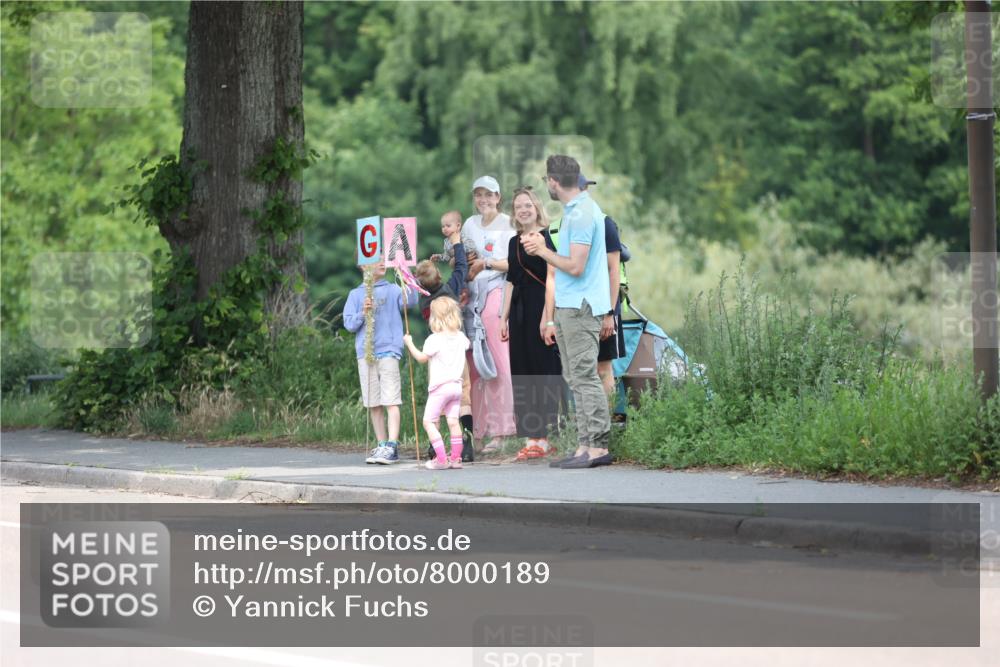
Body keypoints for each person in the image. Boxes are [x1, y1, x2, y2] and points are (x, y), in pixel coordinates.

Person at [522, 155, 613, 469]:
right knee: (574, 377)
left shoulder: (584, 213)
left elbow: (576, 266)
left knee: (584, 377)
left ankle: (598, 447)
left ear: (553, 181)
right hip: (567, 306)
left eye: (547, 179)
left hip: (581, 307)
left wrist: (542, 251)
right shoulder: (575, 212)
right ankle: (584, 445)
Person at [547, 175, 626, 399]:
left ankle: (608, 425)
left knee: (602, 369)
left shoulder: (604, 222)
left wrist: (609, 313)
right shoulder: (567, 225)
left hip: (603, 308)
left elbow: (614, 271)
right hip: (576, 309)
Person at [500, 186, 564, 460]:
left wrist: (547, 317)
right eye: (518, 207)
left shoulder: (548, 237)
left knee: (544, 369)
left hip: (542, 306)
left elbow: (554, 277)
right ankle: (530, 436)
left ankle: (547, 436)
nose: (523, 210)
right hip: (519, 311)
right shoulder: (513, 242)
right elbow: (511, 281)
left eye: (527, 205)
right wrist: (503, 317)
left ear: (536, 206)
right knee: (522, 370)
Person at [461, 175, 517, 452]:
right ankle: (477, 430)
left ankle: (502, 429)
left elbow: (513, 262)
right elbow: (462, 257)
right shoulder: (470, 224)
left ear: (498, 197)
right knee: (472, 365)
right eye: (478, 195)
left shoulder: (508, 224)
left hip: (496, 291)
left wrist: (485, 262)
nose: (483, 200)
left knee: (496, 361)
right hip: (470, 295)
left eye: (488, 194)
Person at [414, 215, 475, 462]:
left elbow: (418, 281)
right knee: (464, 391)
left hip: (436, 353)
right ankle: (467, 443)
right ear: (439, 274)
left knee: (436, 395)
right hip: (457, 350)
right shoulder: (451, 289)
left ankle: (434, 444)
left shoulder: (423, 300)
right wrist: (457, 242)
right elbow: (461, 266)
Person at [342, 260, 414, 465]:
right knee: (373, 402)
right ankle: (382, 444)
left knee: (390, 399)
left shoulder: (392, 289)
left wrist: (406, 274)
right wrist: (362, 313)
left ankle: (392, 445)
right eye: (376, 259)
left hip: (388, 349)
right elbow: (349, 324)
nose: (382, 262)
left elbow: (411, 302)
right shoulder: (355, 295)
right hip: (365, 354)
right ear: (364, 266)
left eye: (384, 258)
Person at [403, 298, 471, 470]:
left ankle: (441, 459)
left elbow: (421, 358)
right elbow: (467, 346)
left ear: (435, 318)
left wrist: (409, 343)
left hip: (440, 388)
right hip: (456, 386)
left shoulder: (434, 339)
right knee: (454, 422)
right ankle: (456, 459)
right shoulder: (461, 337)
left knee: (428, 422)